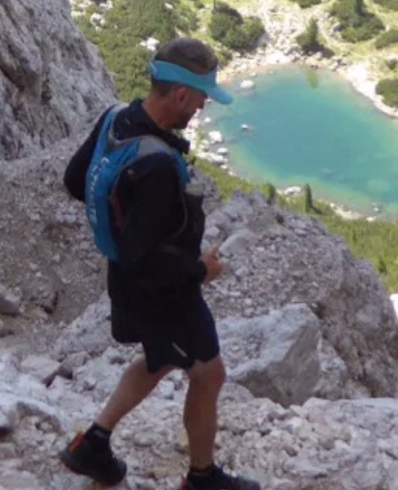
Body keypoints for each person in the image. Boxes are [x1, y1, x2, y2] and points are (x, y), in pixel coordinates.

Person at [59, 39, 260, 490]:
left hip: (125, 278)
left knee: (160, 358)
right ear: (181, 95)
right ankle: (202, 478)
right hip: (164, 290)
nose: (205, 104)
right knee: (209, 373)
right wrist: (199, 271)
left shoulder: (115, 118)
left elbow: (75, 180)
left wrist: (120, 214)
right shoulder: (159, 167)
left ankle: (93, 443)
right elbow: (144, 259)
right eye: (204, 96)